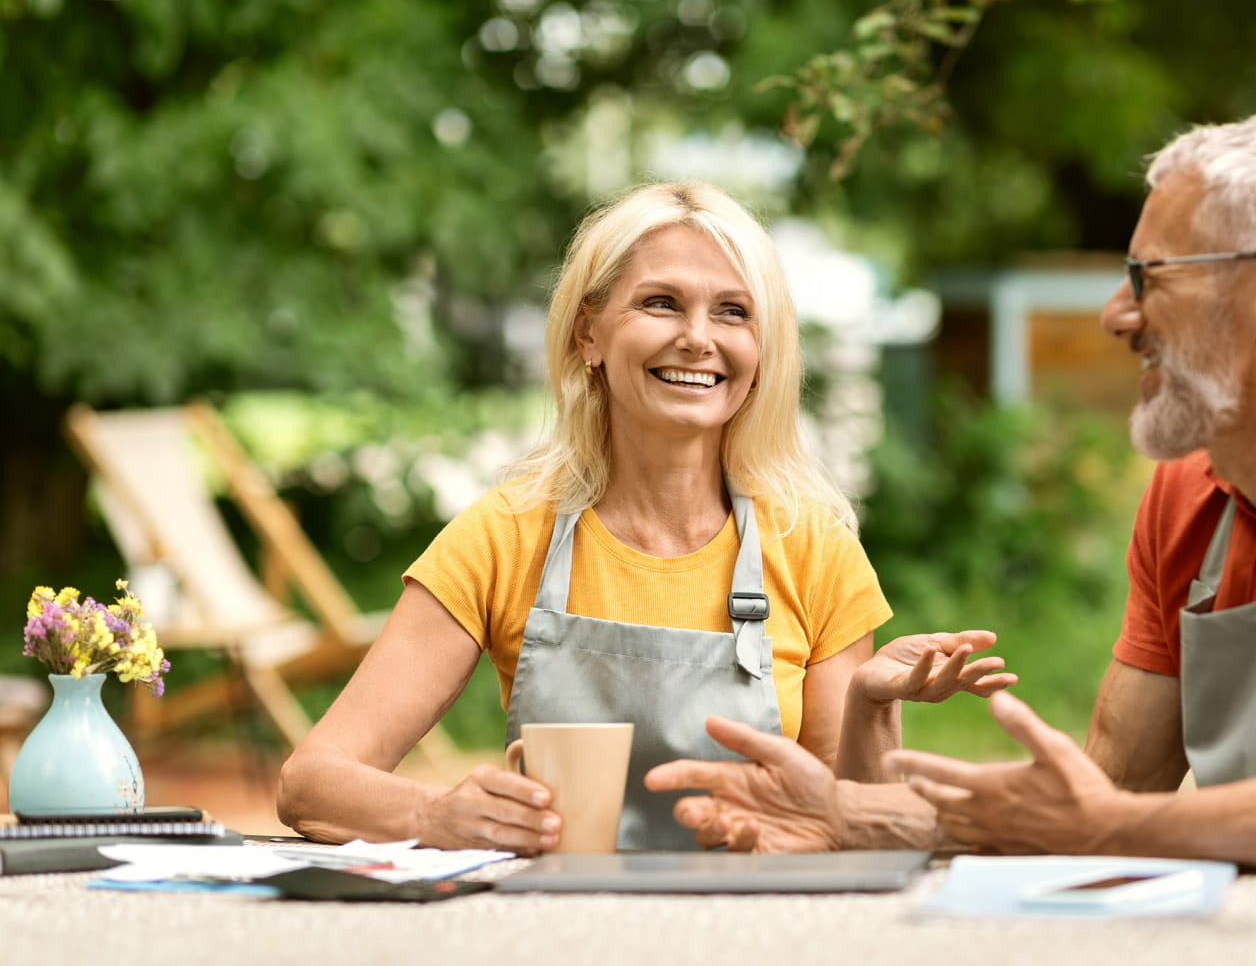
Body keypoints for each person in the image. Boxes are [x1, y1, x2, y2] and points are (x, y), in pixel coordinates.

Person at [645, 106, 1256, 873]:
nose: (1118, 313)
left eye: (1151, 277)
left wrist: (1112, 826)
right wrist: (862, 816)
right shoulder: (1196, 489)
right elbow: (1104, 793)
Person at [276, 181, 1014, 853]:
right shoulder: (504, 535)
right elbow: (310, 782)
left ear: (762, 352)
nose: (699, 337)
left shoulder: (814, 547)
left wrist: (871, 708)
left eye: (732, 311)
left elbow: (855, 829)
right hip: (554, 933)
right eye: (661, 302)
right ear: (588, 334)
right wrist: (436, 816)